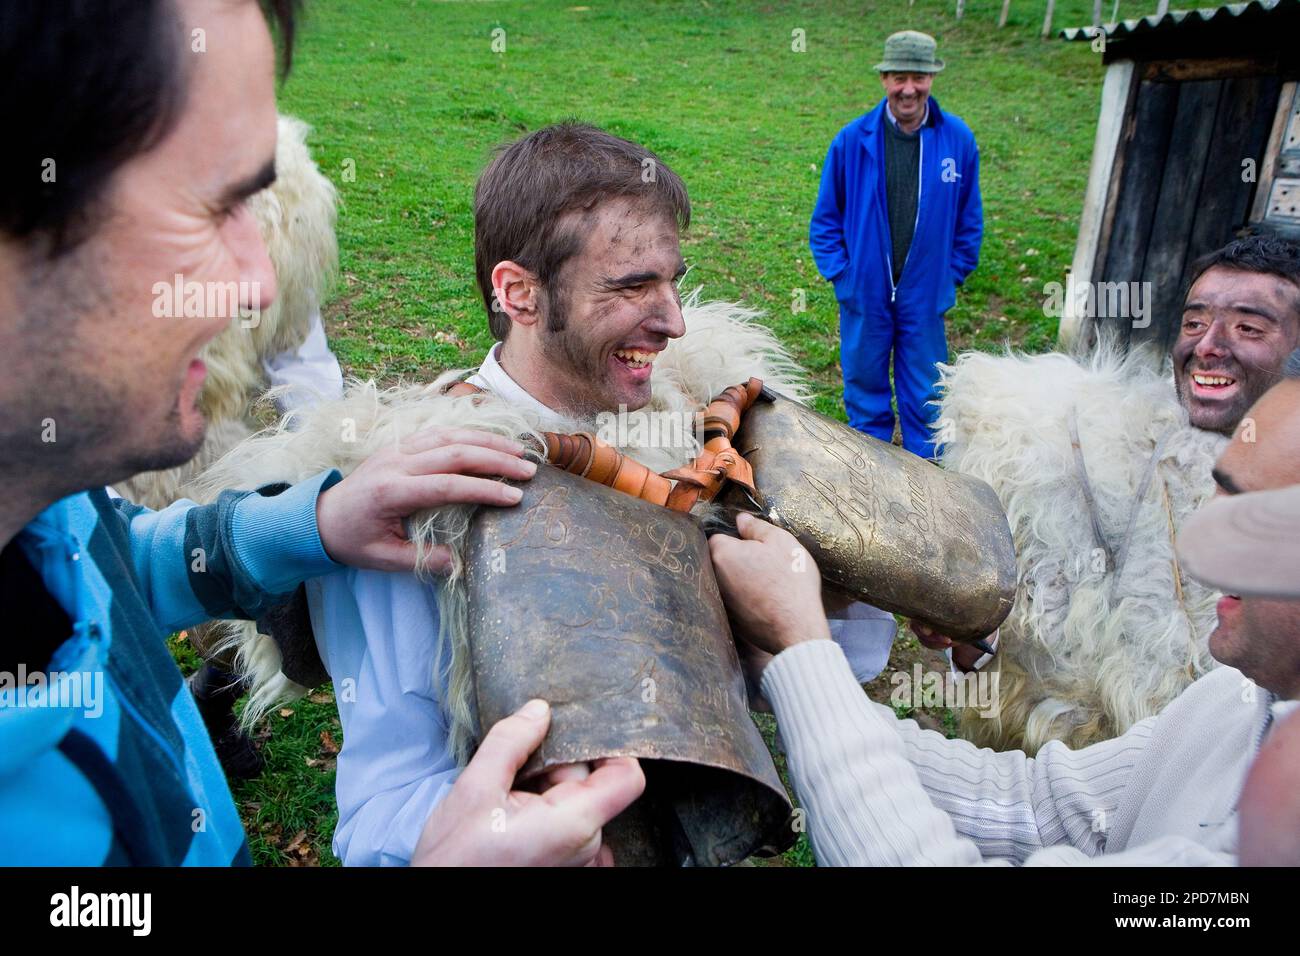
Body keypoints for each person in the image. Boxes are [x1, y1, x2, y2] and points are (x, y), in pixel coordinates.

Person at [0, 0, 637, 866]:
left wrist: (314, 525)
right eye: (209, 207)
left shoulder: (50, 507)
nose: (262, 284)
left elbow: (114, 569)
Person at [198, 121, 897, 865]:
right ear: (519, 294)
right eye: (632, 286)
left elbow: (809, 673)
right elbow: (379, 815)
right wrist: (528, 830)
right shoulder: (421, 504)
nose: (674, 322)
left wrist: (833, 594)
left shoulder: (696, 436)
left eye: (673, 280)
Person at [706, 361, 1300, 865]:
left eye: (1258, 513)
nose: (1204, 537)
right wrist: (780, 673)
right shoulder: (1238, 702)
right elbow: (1031, 805)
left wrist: (803, 645)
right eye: (1217, 495)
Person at [917, 235, 1300, 754]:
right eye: (1194, 322)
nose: (1208, 345)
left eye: (1248, 327)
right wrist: (971, 641)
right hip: (1065, 786)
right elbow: (1016, 648)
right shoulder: (1079, 446)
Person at [810, 30, 982, 458]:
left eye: (919, 77)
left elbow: (969, 219)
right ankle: (871, 470)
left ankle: (925, 480)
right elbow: (826, 220)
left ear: (932, 79)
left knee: (927, 391)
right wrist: (843, 276)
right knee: (864, 386)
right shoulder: (852, 141)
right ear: (884, 78)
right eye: (899, 77)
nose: (909, 88)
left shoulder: (956, 140)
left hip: (924, 292)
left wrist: (950, 274)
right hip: (864, 290)